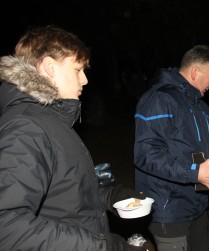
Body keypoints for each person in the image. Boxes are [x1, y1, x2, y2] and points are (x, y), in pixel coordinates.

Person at [0, 25, 147, 251]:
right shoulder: (27, 128)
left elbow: (63, 194)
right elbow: (7, 227)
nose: (85, 80)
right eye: (78, 70)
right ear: (49, 67)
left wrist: (109, 196)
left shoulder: (49, 121)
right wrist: (102, 246)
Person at [133, 45, 209, 251]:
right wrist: (195, 172)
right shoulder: (159, 100)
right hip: (168, 207)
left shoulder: (201, 107)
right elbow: (146, 155)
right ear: (195, 72)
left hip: (197, 202)